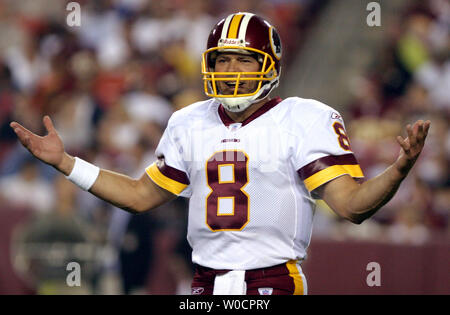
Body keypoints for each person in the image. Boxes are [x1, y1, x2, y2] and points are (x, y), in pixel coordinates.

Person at [10, 12, 430, 295]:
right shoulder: (189, 120)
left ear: (270, 65)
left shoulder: (305, 118)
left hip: (272, 283)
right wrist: (67, 164)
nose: (229, 72)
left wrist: (397, 170)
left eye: (242, 61)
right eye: (222, 61)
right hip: (203, 285)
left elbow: (352, 206)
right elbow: (140, 196)